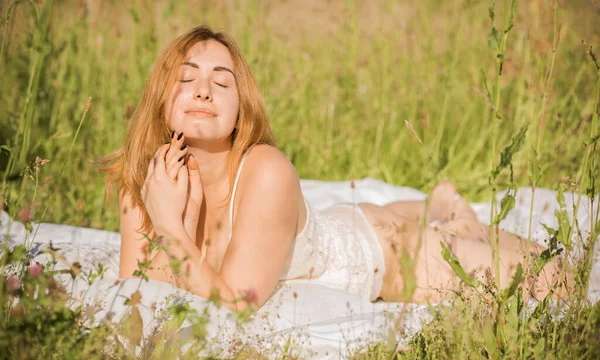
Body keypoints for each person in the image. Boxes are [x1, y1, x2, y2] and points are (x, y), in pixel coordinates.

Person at [99, 26, 565, 313]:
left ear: (241, 111)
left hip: (393, 257)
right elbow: (144, 301)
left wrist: (168, 228)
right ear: (161, 102)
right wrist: (169, 212)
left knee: (557, 279)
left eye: (221, 82)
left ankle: (451, 218)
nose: (202, 90)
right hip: (341, 222)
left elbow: (235, 309)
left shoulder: (266, 171)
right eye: (185, 79)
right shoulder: (145, 180)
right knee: (373, 215)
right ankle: (439, 203)